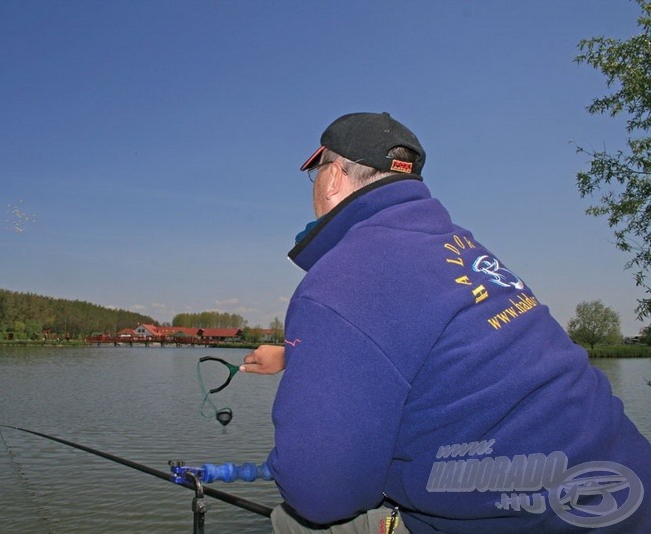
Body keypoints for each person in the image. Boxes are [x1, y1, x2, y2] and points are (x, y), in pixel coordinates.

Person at [241, 112, 651, 533]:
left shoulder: (341, 279)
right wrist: (294, 359)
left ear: (333, 177)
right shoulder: (462, 247)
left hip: (535, 522)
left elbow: (320, 494)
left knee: (293, 522)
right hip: (631, 494)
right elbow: (438, 353)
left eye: (317, 172)